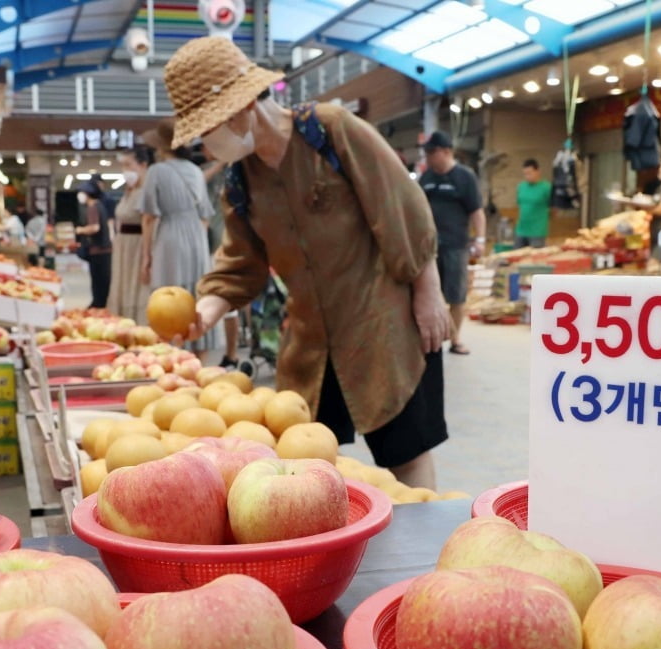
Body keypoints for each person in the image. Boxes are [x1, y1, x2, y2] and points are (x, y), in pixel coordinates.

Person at [163, 36, 452, 490]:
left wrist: (428, 292)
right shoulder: (240, 182)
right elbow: (240, 265)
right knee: (310, 466)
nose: (206, 142)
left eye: (208, 128)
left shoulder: (330, 131)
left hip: (382, 326)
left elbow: (402, 208)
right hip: (310, 346)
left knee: (407, 454)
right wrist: (205, 313)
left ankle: (425, 544)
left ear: (240, 109)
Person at [139, 118, 217, 357]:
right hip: (196, 237)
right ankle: (198, 358)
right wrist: (197, 243)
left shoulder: (156, 171)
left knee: (167, 296)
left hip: (170, 236)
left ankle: (170, 354)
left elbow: (150, 217)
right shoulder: (195, 170)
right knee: (195, 295)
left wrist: (146, 257)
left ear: (161, 147)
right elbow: (206, 215)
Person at [419, 131, 483, 357]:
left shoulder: (465, 177)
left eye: (431, 152)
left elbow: (476, 211)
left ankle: (455, 340)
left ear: (446, 152)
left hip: (456, 245)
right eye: (426, 153)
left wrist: (480, 239)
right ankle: (428, 339)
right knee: (427, 292)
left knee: (456, 295)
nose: (428, 157)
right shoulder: (426, 178)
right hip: (428, 248)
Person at [200, 155, 241, 368]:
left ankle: (232, 354)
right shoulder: (205, 170)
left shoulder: (240, 167)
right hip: (209, 243)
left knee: (230, 302)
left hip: (226, 244)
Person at [108, 145, 154, 322]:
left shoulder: (147, 191)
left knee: (137, 287)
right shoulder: (129, 191)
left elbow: (149, 221)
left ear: (143, 165)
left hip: (138, 245)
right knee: (123, 285)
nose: (125, 170)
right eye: (123, 166)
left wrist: (146, 257)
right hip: (124, 246)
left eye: (129, 165)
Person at [76, 179, 113, 308]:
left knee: (98, 282)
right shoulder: (100, 205)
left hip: (98, 250)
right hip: (105, 249)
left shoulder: (92, 207)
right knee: (103, 281)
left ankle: (98, 306)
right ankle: (100, 304)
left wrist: (80, 230)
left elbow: (94, 227)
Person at [515, 158, 552, 249]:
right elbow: (519, 205)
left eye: (530, 173)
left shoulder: (546, 188)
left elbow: (554, 209)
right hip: (521, 230)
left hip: (537, 232)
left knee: (535, 260)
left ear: (537, 171)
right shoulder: (521, 187)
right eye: (525, 174)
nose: (527, 176)